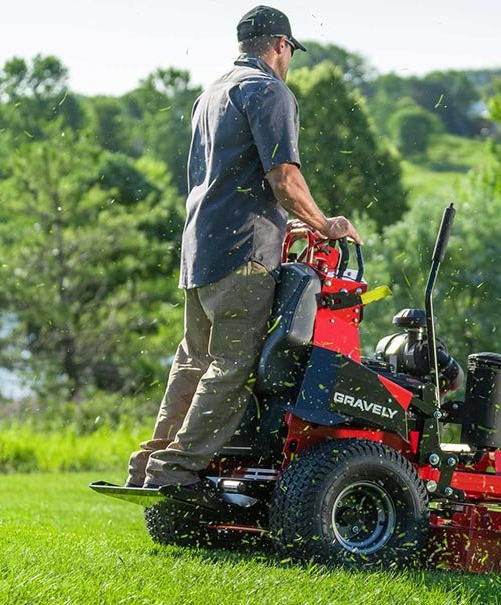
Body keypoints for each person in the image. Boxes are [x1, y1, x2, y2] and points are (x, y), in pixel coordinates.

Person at [126, 5, 361, 493]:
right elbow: (284, 177)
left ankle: (149, 463)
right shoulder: (269, 91)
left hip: (199, 249)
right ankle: (176, 470)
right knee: (231, 366)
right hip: (243, 254)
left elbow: (231, 178)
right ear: (280, 45)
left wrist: (289, 224)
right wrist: (324, 224)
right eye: (290, 51)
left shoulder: (211, 93)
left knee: (193, 360)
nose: (289, 59)